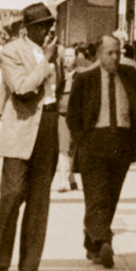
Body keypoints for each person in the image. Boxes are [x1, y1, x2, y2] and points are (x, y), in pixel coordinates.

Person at [67, 35, 136, 269]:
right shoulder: (85, 79)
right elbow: (73, 116)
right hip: (94, 142)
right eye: (110, 53)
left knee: (110, 197)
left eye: (118, 52)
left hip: (121, 143)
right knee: (96, 197)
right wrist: (83, 141)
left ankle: (92, 241)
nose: (115, 57)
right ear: (99, 54)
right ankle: (104, 241)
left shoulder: (130, 76)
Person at [0, 2, 59, 271]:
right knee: (12, 196)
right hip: (20, 129)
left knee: (39, 201)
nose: (45, 31)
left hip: (48, 124)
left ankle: (30, 267)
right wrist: (45, 62)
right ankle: (2, 265)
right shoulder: (11, 52)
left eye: (48, 25)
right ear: (27, 28)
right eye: (40, 26)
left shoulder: (51, 54)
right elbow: (21, 87)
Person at [55, 44, 80, 193]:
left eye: (71, 55)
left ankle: (70, 177)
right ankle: (63, 181)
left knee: (73, 149)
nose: (68, 59)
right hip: (62, 115)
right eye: (66, 55)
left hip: (77, 116)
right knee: (63, 148)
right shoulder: (59, 75)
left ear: (76, 58)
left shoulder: (81, 75)